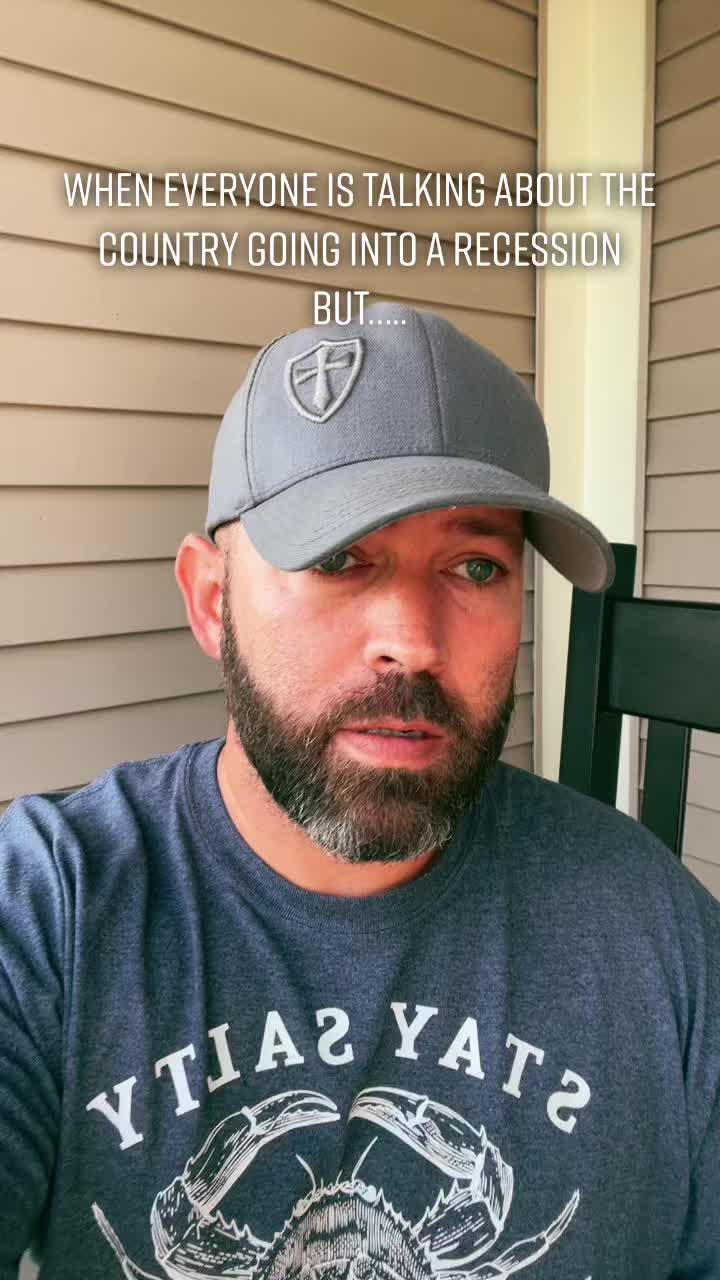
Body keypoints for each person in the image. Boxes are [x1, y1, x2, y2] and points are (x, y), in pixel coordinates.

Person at [1, 302, 718, 1280]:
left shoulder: (653, 928)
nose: (413, 642)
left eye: (476, 565)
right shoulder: (53, 912)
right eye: (339, 557)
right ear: (211, 600)